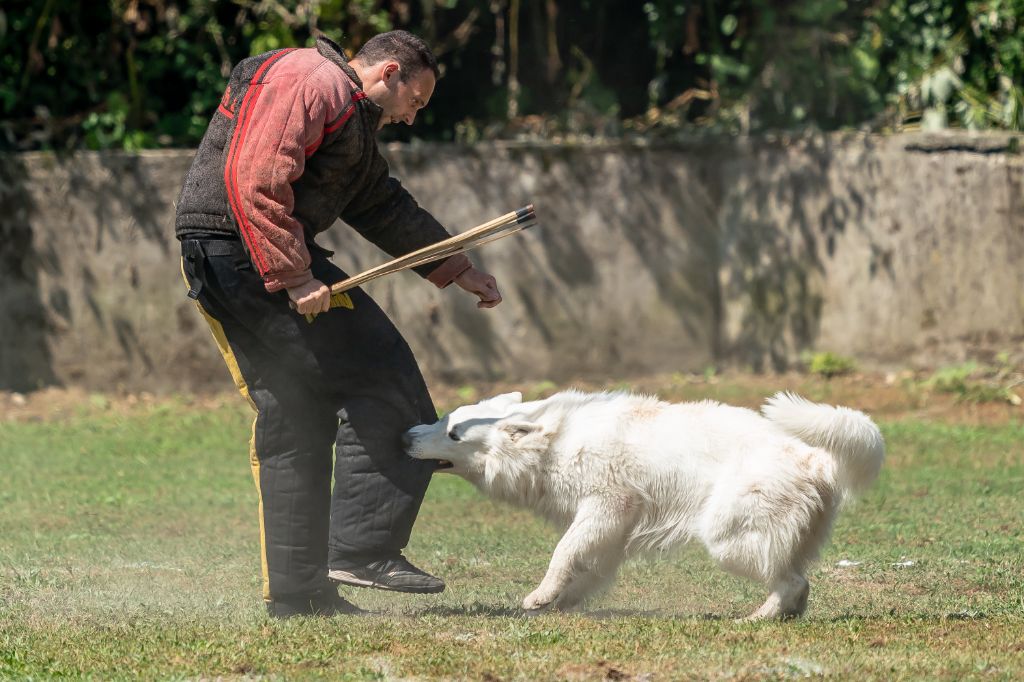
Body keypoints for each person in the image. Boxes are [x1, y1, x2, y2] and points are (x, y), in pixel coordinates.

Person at [175, 30, 502, 619]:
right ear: (391, 72)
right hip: (243, 252)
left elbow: (380, 204)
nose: (410, 118)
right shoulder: (312, 78)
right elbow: (256, 179)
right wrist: (295, 276)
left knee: (297, 415)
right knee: (383, 377)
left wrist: (457, 268)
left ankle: (300, 594)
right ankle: (363, 549)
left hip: (244, 254)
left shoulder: (349, 113)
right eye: (416, 102)